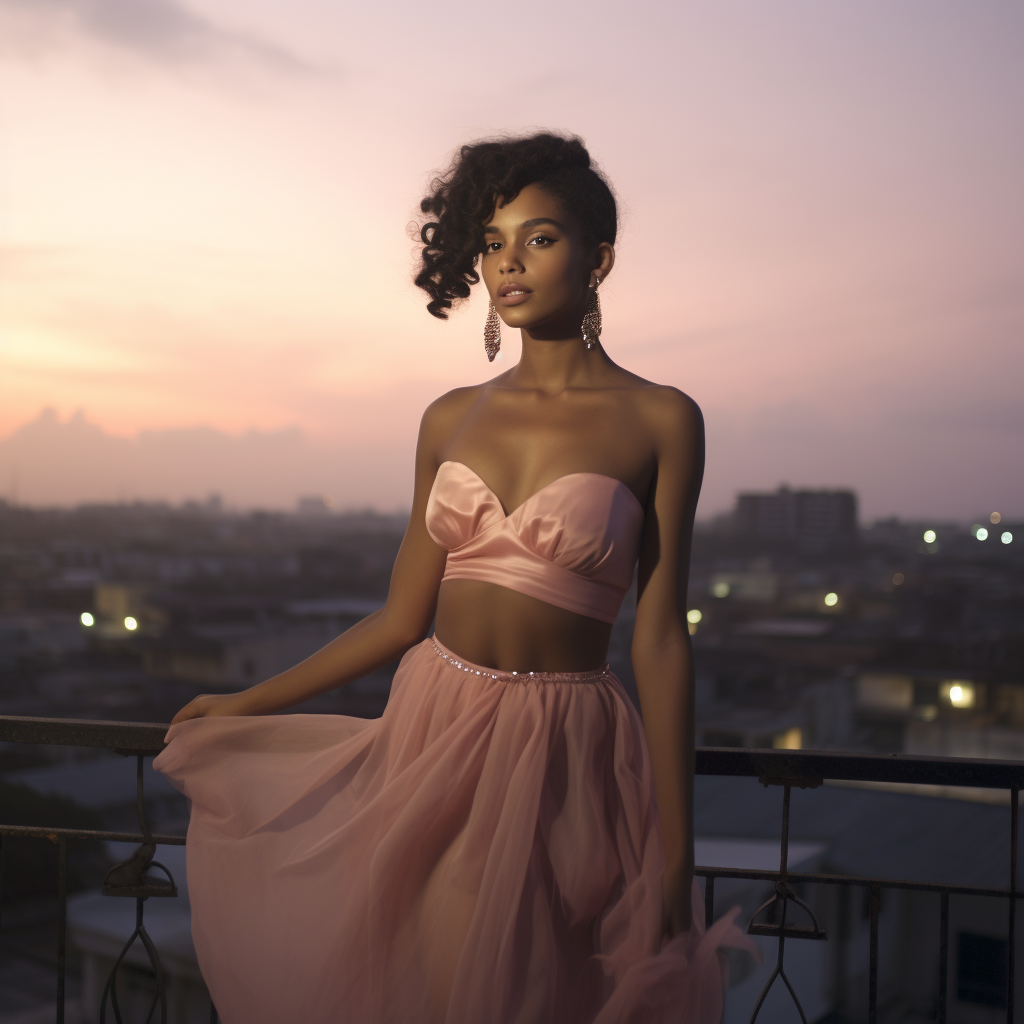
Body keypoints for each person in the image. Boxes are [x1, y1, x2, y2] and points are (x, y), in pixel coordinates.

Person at [154, 131, 757, 1024]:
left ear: (601, 259)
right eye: (491, 242)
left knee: (528, 990)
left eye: (539, 238)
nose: (509, 263)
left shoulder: (663, 418)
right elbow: (400, 618)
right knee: (427, 976)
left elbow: (662, 636)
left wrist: (677, 853)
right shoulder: (447, 417)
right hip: (432, 724)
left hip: (566, 744)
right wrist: (245, 703)